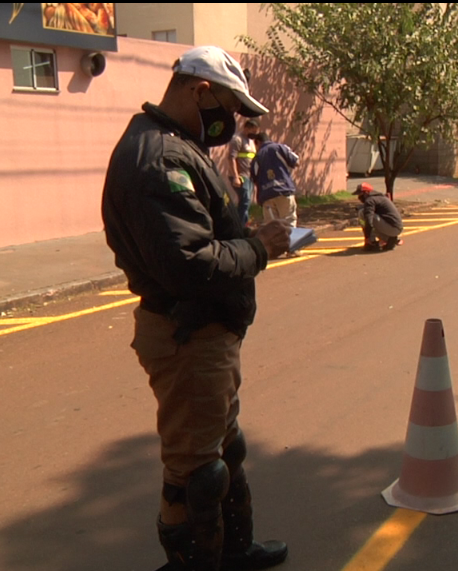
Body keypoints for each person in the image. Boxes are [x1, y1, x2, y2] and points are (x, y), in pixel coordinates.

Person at [101, 45, 290, 571]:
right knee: (194, 472)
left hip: (206, 332)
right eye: (229, 107)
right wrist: (259, 248)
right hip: (187, 336)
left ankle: (234, 550)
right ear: (199, 90)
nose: (232, 122)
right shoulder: (159, 157)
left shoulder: (176, 145)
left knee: (224, 451)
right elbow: (189, 264)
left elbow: (199, 237)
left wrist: (245, 236)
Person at [250, 132, 299, 227]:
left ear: (258, 143)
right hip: (284, 191)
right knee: (289, 222)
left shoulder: (257, 157)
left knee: (272, 227)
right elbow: (296, 161)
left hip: (267, 196)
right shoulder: (280, 148)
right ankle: (291, 241)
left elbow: (254, 178)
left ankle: (276, 242)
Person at [353, 183, 404, 251]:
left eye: (360, 194)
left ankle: (371, 242)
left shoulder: (370, 200)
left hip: (392, 228)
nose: (359, 197)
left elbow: (369, 220)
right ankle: (389, 239)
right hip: (396, 227)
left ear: (366, 193)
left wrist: (367, 237)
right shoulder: (379, 197)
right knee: (367, 214)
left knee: (363, 213)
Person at [229, 119, 259, 227]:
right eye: (252, 131)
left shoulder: (250, 141)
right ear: (246, 128)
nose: (254, 134)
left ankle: (243, 224)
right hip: (241, 176)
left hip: (249, 176)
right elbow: (231, 158)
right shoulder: (237, 140)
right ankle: (239, 227)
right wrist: (235, 177)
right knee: (245, 201)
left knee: (247, 202)